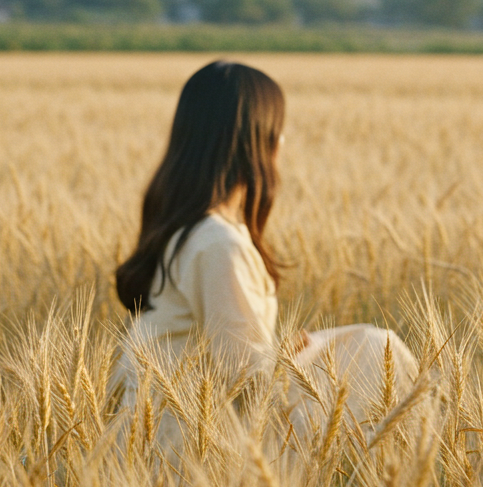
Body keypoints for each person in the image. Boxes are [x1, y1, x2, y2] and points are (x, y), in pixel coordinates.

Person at [114, 60, 417, 449]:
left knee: (357, 347)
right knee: (377, 348)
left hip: (159, 433)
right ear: (255, 142)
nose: (282, 143)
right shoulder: (220, 244)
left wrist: (291, 352)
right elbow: (247, 381)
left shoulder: (182, 229)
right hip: (190, 451)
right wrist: (298, 355)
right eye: (279, 131)